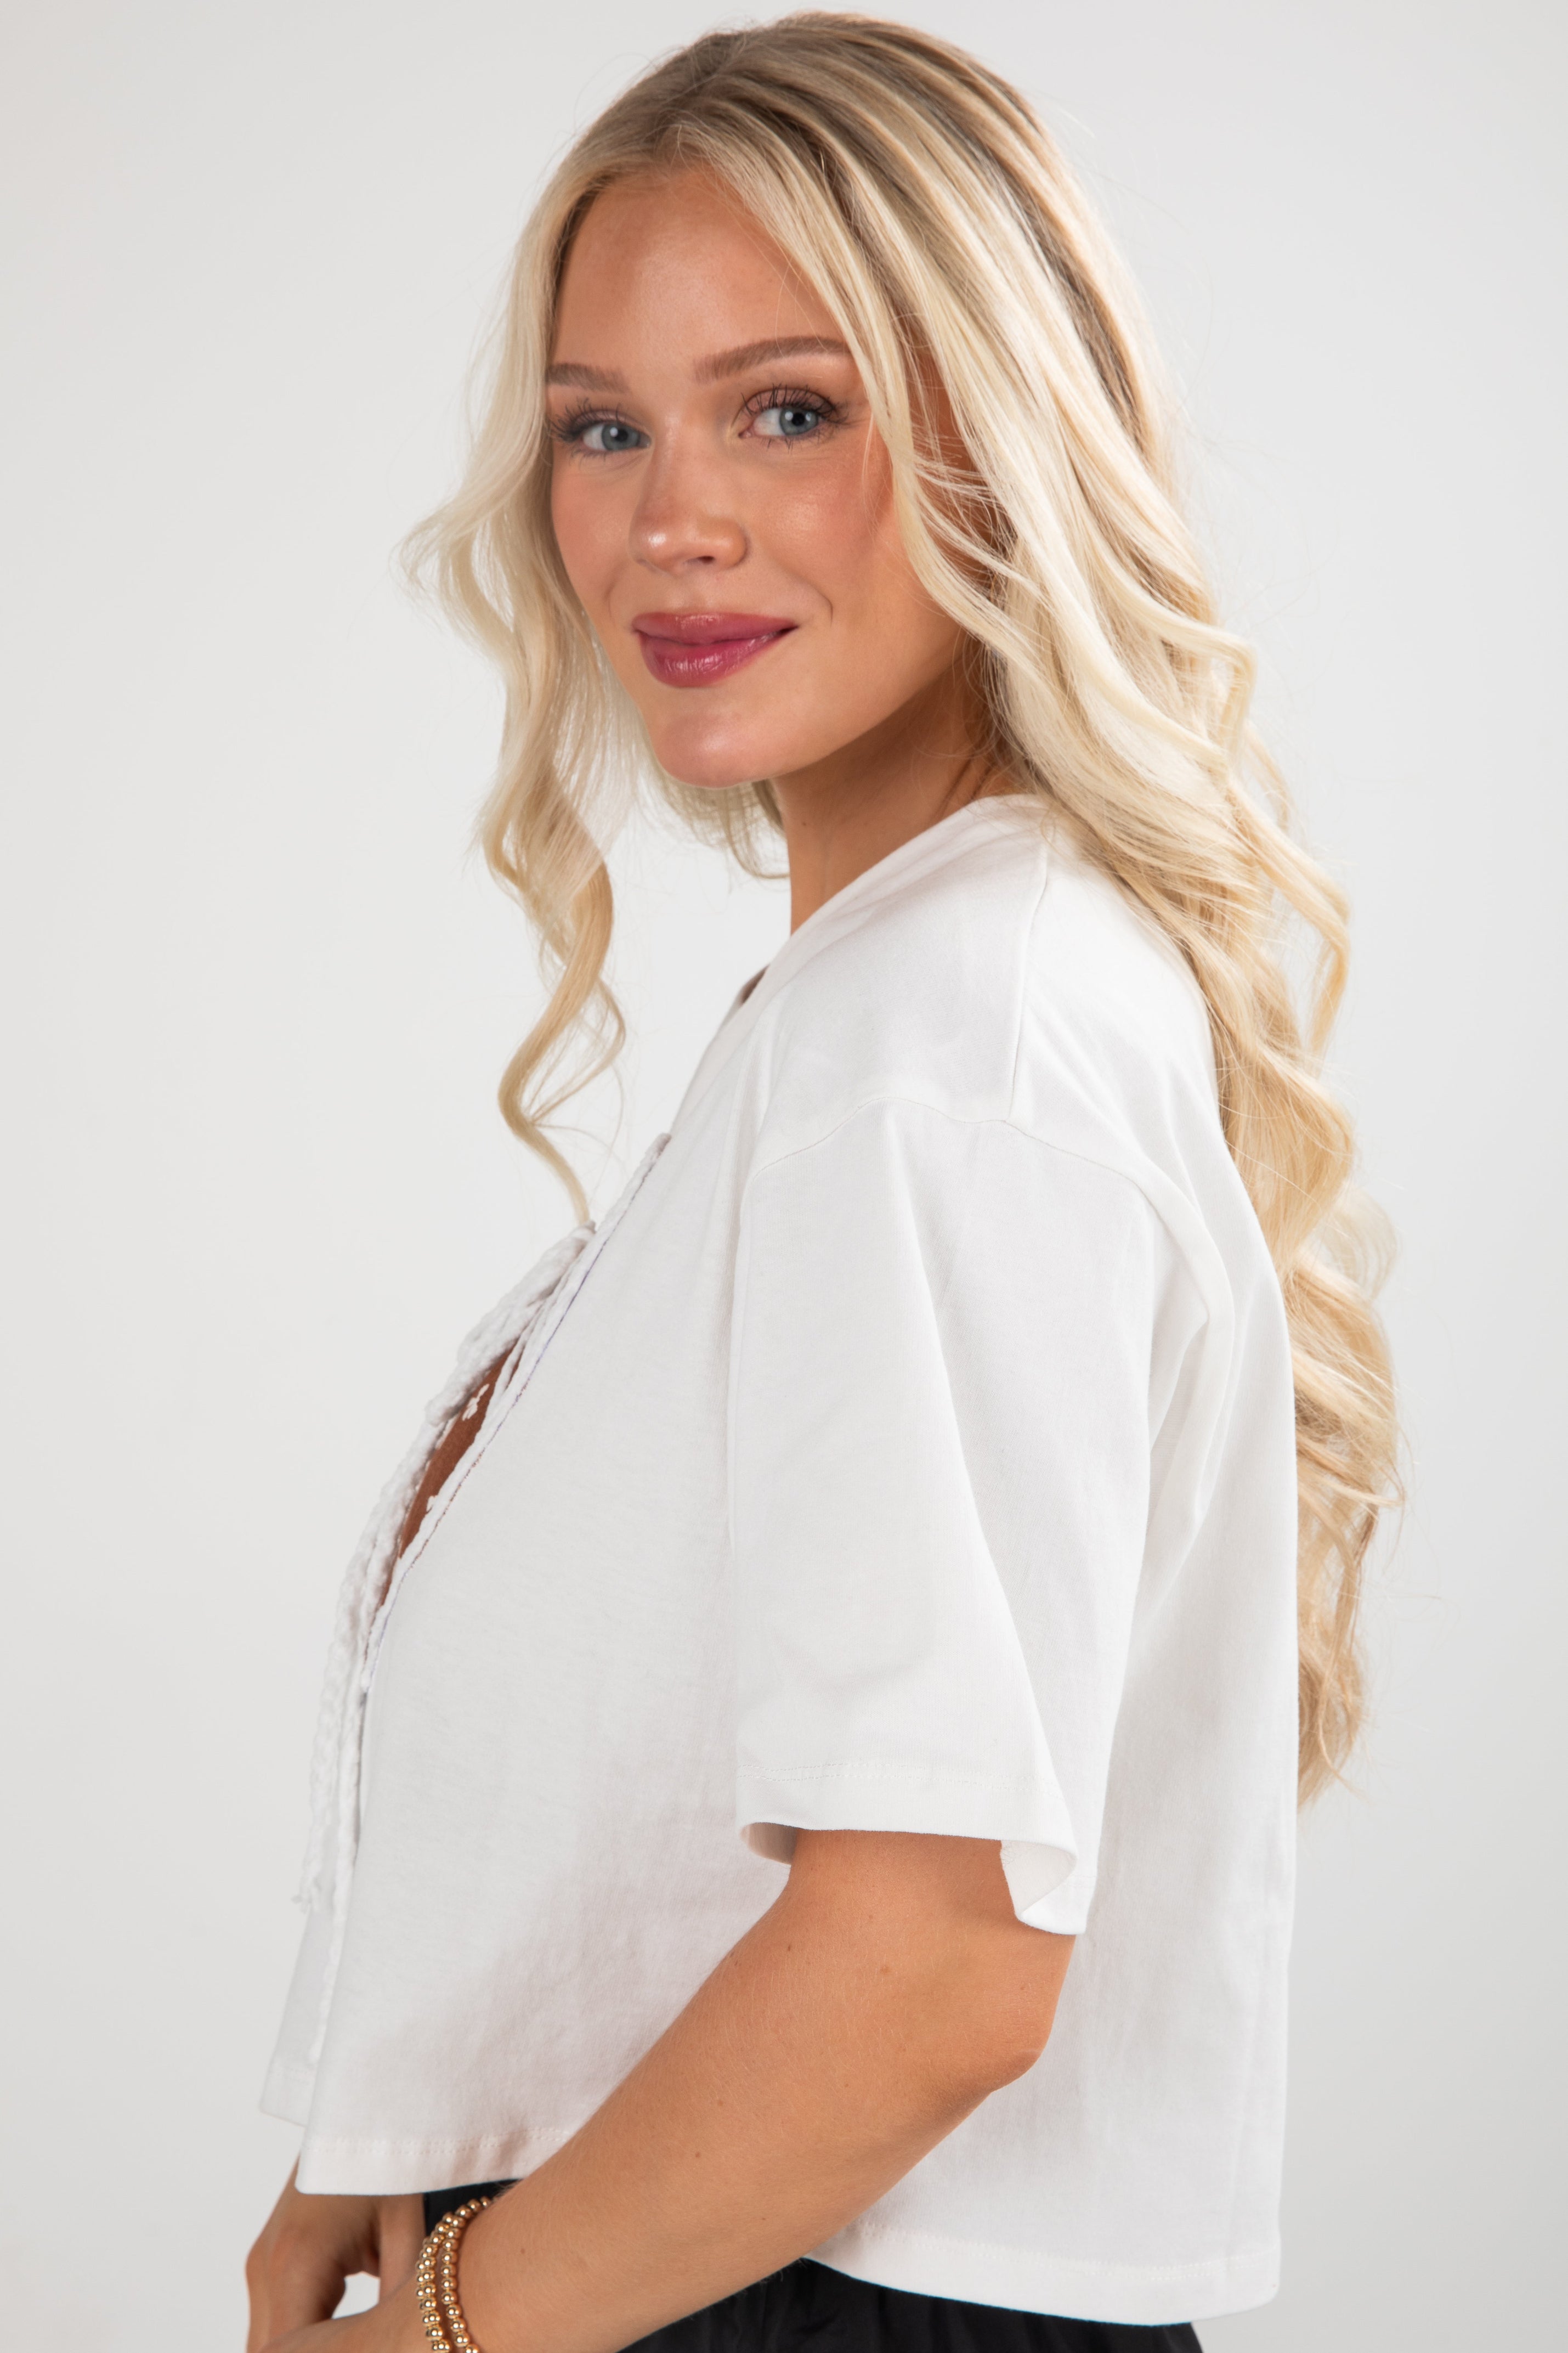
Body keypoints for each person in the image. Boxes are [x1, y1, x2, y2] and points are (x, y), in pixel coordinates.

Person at [245, 17, 1396, 2353]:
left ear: (1005, 423)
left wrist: (453, 2325)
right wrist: (397, 2115)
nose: (669, 516)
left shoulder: (945, 1034)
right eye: (602, 425)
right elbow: (673, 1753)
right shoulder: (900, 994)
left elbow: (933, 1959)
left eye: (789, 405)